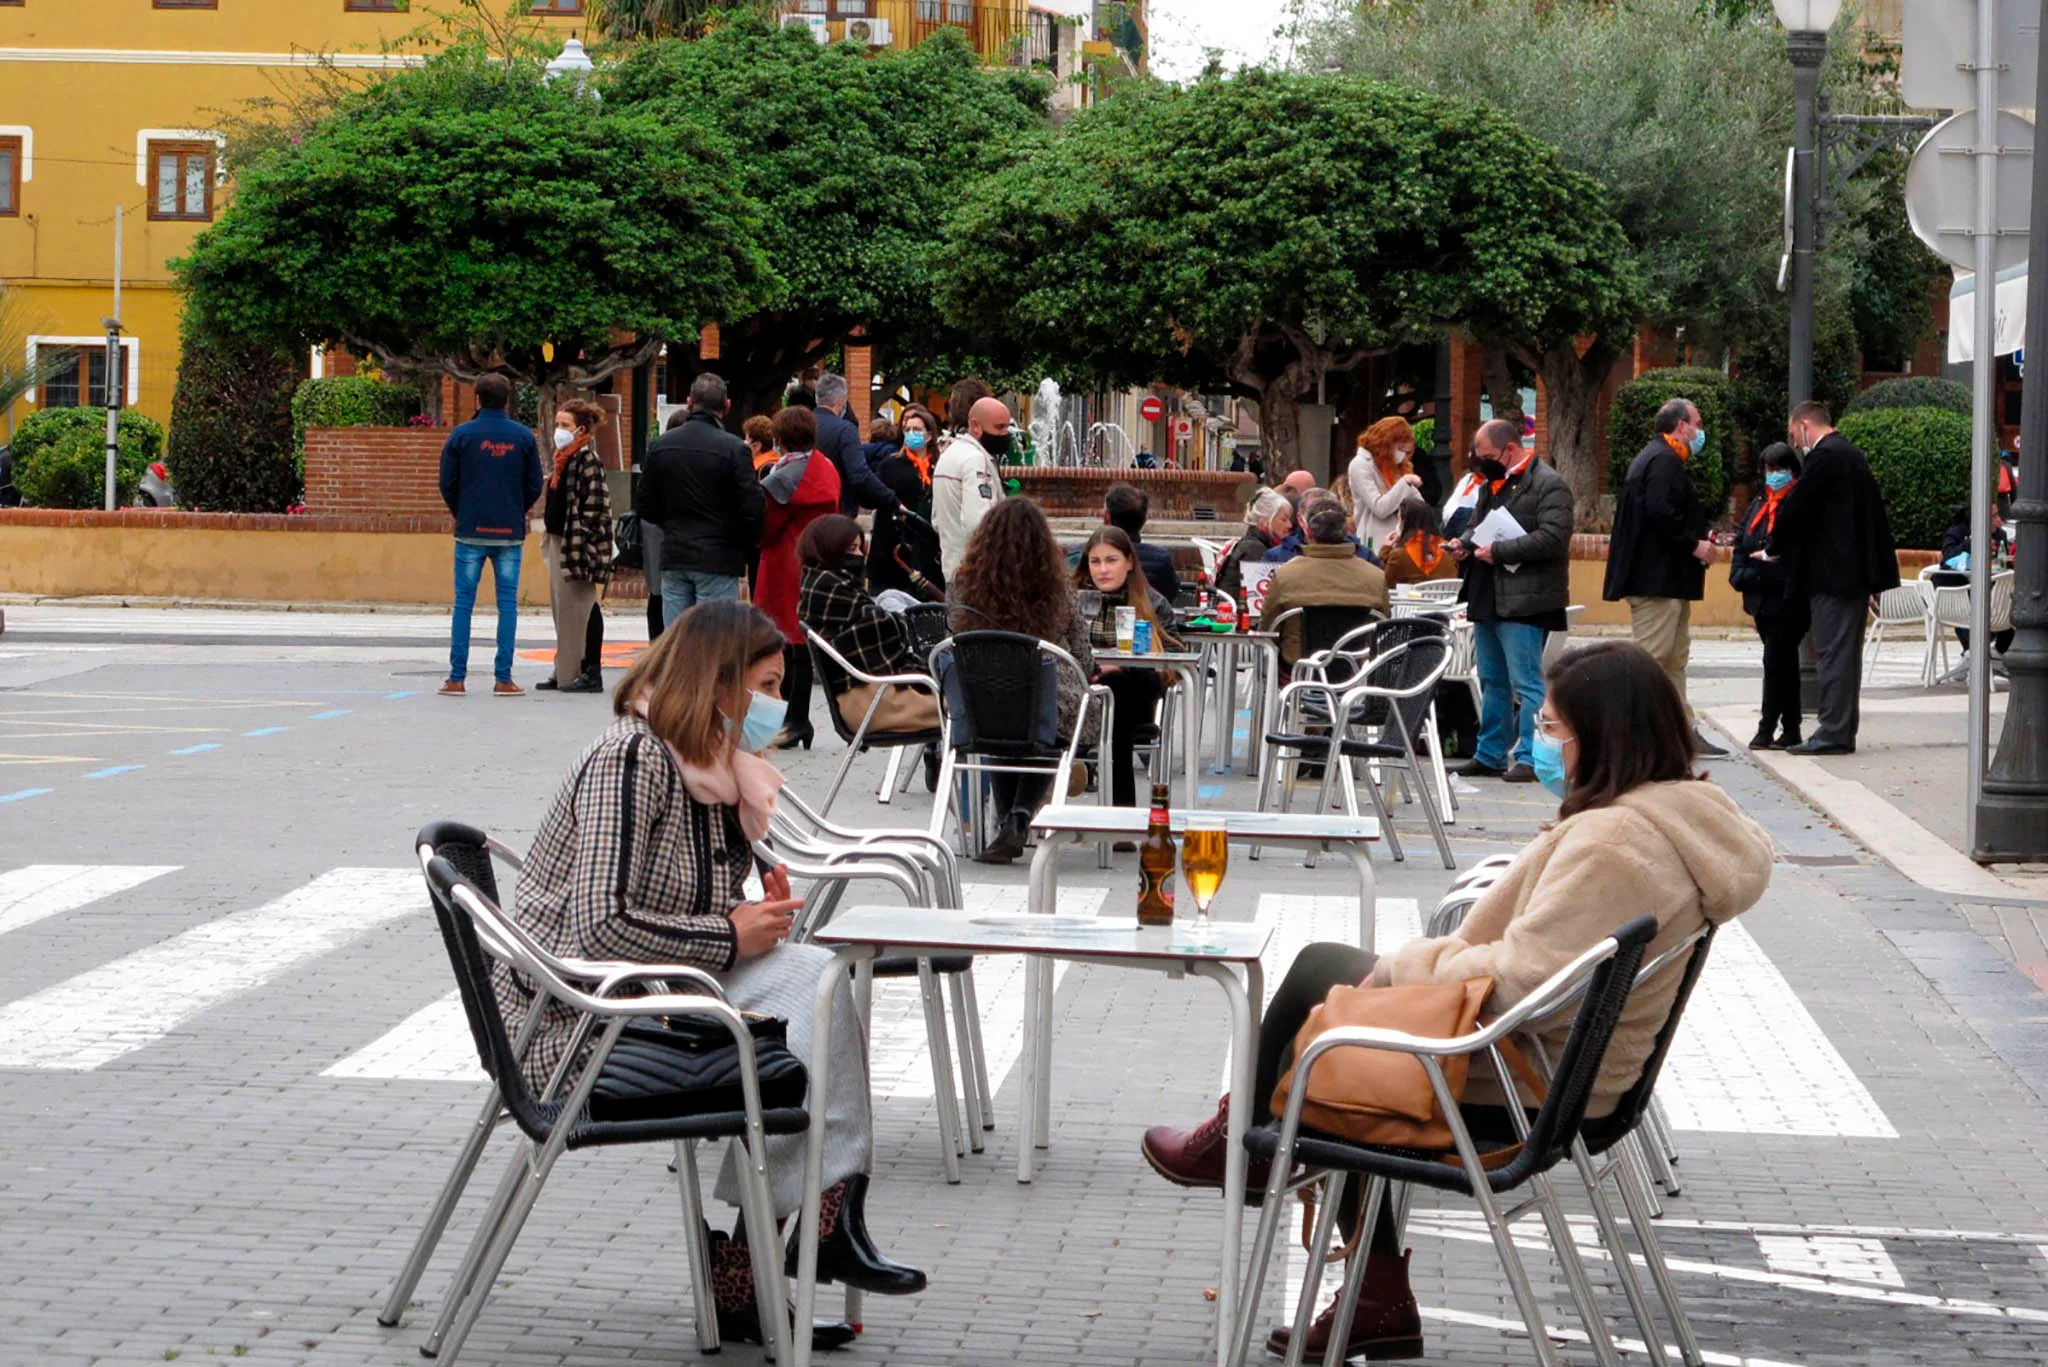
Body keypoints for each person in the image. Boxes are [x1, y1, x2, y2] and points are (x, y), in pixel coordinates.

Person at [1141, 640, 1772, 1363]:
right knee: (1326, 975)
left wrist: (1409, 969)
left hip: (1528, 1079)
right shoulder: (1681, 817)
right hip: (1568, 1067)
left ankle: (1254, 1151)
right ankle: (1279, 1178)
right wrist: (1403, 976)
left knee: (1329, 1051)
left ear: (1604, 735)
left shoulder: (1615, 844)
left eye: (1553, 727)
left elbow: (1522, 984)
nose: (1542, 740)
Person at [498, 600, 927, 1352]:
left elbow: (676, 905)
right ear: (719, 683)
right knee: (811, 996)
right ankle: (809, 1226)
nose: (777, 705)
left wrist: (749, 912)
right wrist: (729, 933)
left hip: (647, 991)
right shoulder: (633, 759)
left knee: (819, 987)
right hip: (574, 1021)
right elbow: (598, 924)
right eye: (767, 686)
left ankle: (791, 1236)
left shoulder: (712, 770)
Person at [948, 498, 1097, 864]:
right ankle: (1019, 814)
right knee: (1046, 726)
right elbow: (1082, 656)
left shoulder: (961, 586)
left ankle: (1009, 821)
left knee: (1004, 726)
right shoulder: (1059, 590)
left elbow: (952, 638)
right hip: (1048, 706)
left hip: (978, 705)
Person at [1769, 401, 1899, 755]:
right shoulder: (1851, 455)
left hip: (1833, 576)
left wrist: (1774, 546)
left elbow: (1798, 508)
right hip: (1851, 575)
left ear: (1806, 424)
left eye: (1795, 434)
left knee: (1832, 653)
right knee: (1844, 655)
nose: (1796, 443)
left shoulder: (1826, 457)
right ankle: (1840, 728)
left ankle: (1833, 732)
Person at [1448, 418, 1574, 783]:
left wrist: (1500, 551)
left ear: (1510, 449)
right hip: (1487, 593)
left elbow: (1553, 537)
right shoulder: (1493, 482)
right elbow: (1477, 523)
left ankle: (1531, 757)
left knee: (1526, 682)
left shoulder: (1549, 484)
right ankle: (1490, 753)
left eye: (1487, 456)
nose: (1482, 463)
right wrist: (1464, 543)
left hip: (1526, 599)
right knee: (1492, 679)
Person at [1603, 398, 1725, 757]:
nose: (1701, 431)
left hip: (1666, 580)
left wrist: (1700, 536)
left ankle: (1681, 732)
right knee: (1652, 661)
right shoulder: (1662, 461)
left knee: (1673, 660)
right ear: (1681, 426)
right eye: (1697, 423)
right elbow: (1661, 514)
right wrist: (1695, 545)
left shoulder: (1660, 459)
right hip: (1656, 581)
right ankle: (1632, 738)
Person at [438, 373, 543, 698]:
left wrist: (462, 511)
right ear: (508, 398)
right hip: (509, 531)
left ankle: (457, 677)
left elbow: (447, 482)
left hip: (471, 530)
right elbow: (534, 484)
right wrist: (517, 509)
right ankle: (503, 677)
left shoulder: (461, 435)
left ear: (477, 398)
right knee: (507, 604)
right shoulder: (523, 437)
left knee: (463, 604)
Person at [637, 373, 763, 629]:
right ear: (726, 406)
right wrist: (740, 543)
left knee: (677, 636)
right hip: (719, 555)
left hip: (676, 552)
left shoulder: (661, 445)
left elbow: (645, 505)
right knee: (714, 638)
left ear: (689, 402)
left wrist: (671, 524)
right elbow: (753, 509)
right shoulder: (735, 449)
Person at [797, 514, 942, 735]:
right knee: (966, 708)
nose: (858, 556)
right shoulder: (833, 591)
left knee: (890, 597)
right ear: (830, 550)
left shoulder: (823, 586)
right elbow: (882, 630)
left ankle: (938, 753)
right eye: (851, 549)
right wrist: (904, 623)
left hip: (872, 694)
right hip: (871, 702)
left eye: (859, 549)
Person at [1075, 526, 1177, 818]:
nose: (1103, 570)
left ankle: (1083, 764)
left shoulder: (1153, 602)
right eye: (1095, 562)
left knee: (1116, 687)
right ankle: (1120, 813)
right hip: (1082, 688)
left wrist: (1119, 666)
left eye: (1111, 560)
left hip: (1135, 693)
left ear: (1129, 562)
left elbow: (1172, 659)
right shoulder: (1073, 600)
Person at [757, 405, 842, 751]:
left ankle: (790, 719)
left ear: (779, 437)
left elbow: (767, 525)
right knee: (802, 639)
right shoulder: (826, 468)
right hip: (815, 559)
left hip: (782, 562)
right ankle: (799, 718)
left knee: (782, 640)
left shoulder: (781, 477)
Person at [1730, 444, 1807, 749]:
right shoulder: (1759, 504)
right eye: (1768, 469)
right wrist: (1741, 575)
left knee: (1775, 662)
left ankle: (1768, 726)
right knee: (1783, 664)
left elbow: (1791, 555)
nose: (1773, 475)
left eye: (1779, 469)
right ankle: (1791, 727)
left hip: (1786, 599)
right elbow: (1742, 544)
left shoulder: (1795, 504)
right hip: (1759, 598)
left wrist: (1761, 571)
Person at [1258, 498, 1390, 668]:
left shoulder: (1285, 575)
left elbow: (1268, 630)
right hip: (1356, 670)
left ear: (1308, 531)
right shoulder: (1376, 577)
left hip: (1297, 671)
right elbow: (1384, 628)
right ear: (1346, 531)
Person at [538, 399, 613, 695]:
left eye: (564, 425)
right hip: (560, 540)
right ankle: (566, 668)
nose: (558, 430)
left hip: (577, 544)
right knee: (564, 610)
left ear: (581, 429)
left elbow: (595, 508)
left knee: (583, 607)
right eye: (557, 424)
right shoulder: (564, 459)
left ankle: (589, 670)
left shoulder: (587, 460)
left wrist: (585, 543)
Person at [933, 395, 1011, 583]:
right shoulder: (975, 461)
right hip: (977, 574)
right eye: (999, 427)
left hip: (952, 566)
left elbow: (936, 520)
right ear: (975, 426)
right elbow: (978, 521)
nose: (1005, 434)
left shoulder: (950, 454)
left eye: (1007, 427)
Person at [871, 402, 944, 599]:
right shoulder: (890, 464)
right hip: (894, 544)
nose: (911, 434)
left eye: (917, 430)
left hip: (927, 545)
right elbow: (877, 496)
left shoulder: (939, 466)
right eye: (908, 430)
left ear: (929, 436)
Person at [1933, 503, 2015, 658]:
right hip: (1960, 588)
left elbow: (2004, 563)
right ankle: (1972, 651)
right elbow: (1948, 559)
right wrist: (1972, 542)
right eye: (1994, 516)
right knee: (1965, 607)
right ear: (1980, 519)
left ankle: (1988, 652)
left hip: (1991, 589)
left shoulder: (2000, 535)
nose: (2000, 521)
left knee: (2005, 601)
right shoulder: (1957, 533)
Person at [812, 372, 899, 516]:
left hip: (804, 508)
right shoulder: (845, 430)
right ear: (841, 400)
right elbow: (859, 474)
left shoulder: (801, 424)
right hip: (837, 509)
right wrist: (891, 499)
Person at [1346, 416, 1428, 553]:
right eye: (1399, 448)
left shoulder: (1393, 465)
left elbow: (1419, 505)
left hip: (1402, 540)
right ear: (1386, 443)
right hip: (1374, 541)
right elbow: (1380, 508)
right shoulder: (1360, 465)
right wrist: (1404, 483)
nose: (1402, 455)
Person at [1099, 482, 1181, 601]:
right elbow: (1171, 594)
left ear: (1107, 517)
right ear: (1144, 520)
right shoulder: (1161, 560)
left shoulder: (1083, 555)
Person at [1217, 489, 1293, 603]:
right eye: (1284, 519)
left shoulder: (1252, 543)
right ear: (1265, 521)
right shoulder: (1255, 550)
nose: (1289, 525)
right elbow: (1257, 600)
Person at [1378, 502, 1460, 589]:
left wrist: (1386, 549)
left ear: (1404, 522)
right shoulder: (1448, 550)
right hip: (1446, 597)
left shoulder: (1399, 555)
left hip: (1411, 597)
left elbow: (1387, 583)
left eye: (1399, 519)